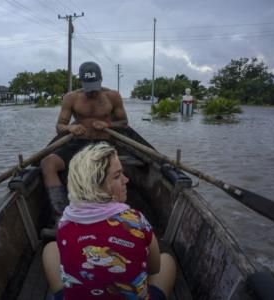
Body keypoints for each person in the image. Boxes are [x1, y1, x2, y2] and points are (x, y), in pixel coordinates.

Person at [42, 142, 177, 299]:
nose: (126, 180)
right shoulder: (136, 220)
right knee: (167, 261)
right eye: (117, 175)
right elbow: (154, 268)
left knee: (50, 249)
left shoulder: (65, 222)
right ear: (97, 185)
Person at [40, 61, 128, 222]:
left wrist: (107, 124)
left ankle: (111, 211)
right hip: (78, 144)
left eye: (95, 86)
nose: (92, 92)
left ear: (101, 80)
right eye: (88, 87)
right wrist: (70, 129)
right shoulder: (71, 98)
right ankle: (60, 213)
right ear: (81, 82)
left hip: (103, 144)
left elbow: (124, 123)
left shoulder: (112, 96)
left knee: (98, 170)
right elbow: (60, 126)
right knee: (48, 164)